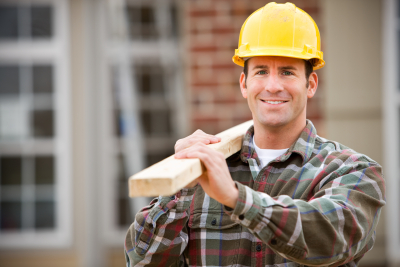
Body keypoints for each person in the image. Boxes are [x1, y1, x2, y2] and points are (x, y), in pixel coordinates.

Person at [125, 2, 386, 266]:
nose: (273, 86)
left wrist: (236, 199)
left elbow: (331, 238)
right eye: (261, 71)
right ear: (244, 84)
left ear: (311, 85)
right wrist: (179, 187)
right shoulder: (208, 170)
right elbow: (142, 262)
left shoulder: (353, 171)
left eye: (287, 72)